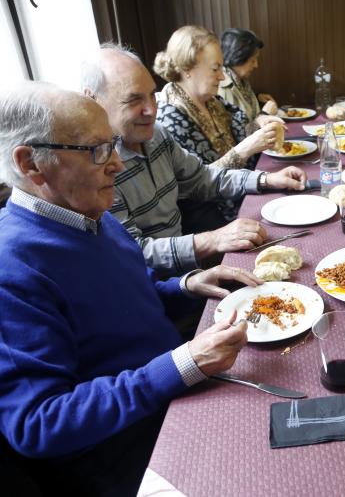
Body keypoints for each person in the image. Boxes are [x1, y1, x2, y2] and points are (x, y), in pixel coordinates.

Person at [0, 81, 262, 495]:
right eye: (97, 150)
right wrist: (181, 365)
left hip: (172, 388)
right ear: (31, 164)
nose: (118, 164)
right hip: (127, 447)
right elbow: (38, 424)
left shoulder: (88, 213)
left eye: (113, 145)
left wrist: (187, 285)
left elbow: (125, 298)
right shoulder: (12, 269)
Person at [81, 43, 306, 276]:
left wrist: (266, 180)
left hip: (189, 272)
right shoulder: (97, 167)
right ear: (93, 100)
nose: (151, 110)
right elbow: (133, 251)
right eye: (133, 99)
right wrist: (212, 240)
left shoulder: (156, 134)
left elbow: (201, 178)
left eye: (152, 95)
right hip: (155, 286)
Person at [154, 25, 288, 221]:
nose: (223, 76)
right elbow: (198, 185)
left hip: (244, 190)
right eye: (216, 68)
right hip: (214, 216)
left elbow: (243, 129)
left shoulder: (212, 101)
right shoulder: (170, 117)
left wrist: (261, 121)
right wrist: (246, 149)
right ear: (187, 69)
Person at [218, 28, 279, 122]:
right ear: (237, 58)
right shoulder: (222, 89)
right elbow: (238, 134)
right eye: (252, 60)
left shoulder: (240, 80)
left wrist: (257, 96)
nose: (256, 65)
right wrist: (265, 114)